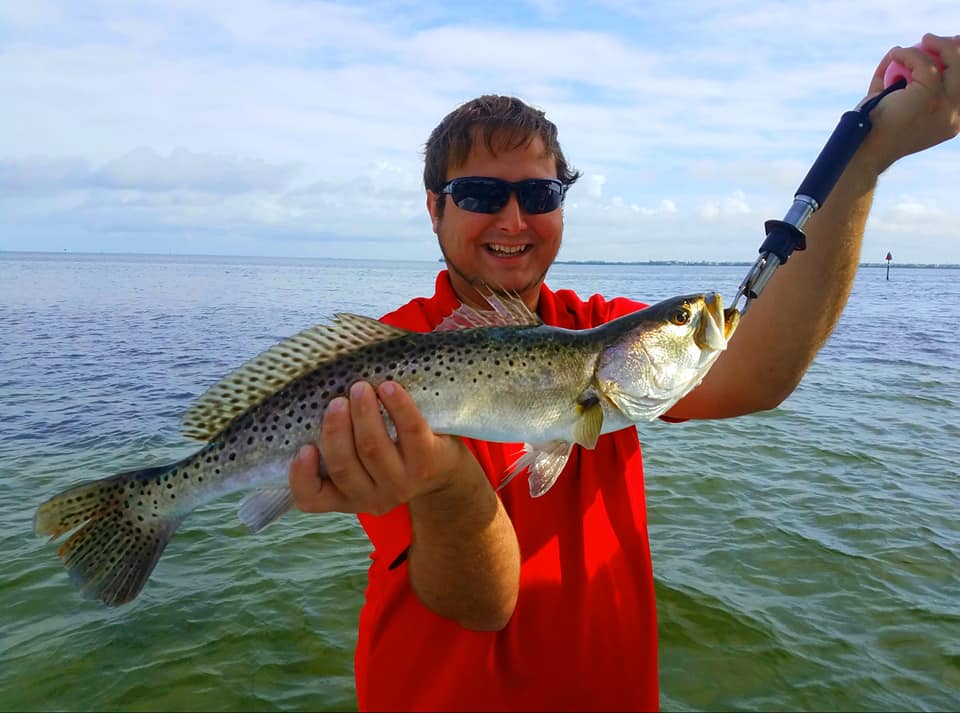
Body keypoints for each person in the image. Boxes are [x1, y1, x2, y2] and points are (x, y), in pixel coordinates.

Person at [288, 35, 960, 712]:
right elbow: (481, 602)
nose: (514, 217)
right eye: (482, 192)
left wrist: (866, 157)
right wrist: (447, 483)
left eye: (541, 193)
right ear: (435, 207)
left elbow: (758, 374)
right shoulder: (379, 368)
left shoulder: (592, 324)